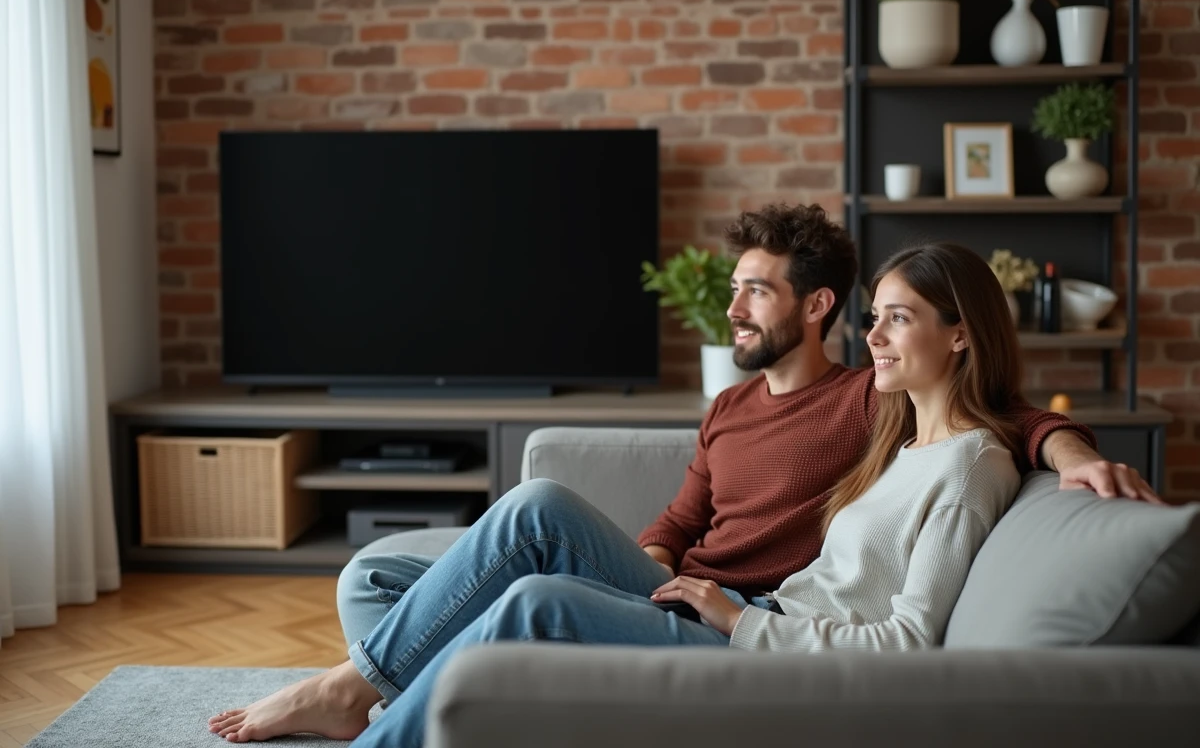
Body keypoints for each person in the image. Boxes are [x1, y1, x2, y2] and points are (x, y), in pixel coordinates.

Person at [207, 206, 1161, 744]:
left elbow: (1006, 421)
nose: (733, 303)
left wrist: (1073, 450)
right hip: (694, 595)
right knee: (376, 575)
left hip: (749, 621)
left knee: (532, 541)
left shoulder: (872, 406)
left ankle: (370, 709)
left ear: (814, 305)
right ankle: (434, 696)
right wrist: (644, 567)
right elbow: (677, 517)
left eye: (755, 288)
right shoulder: (810, 419)